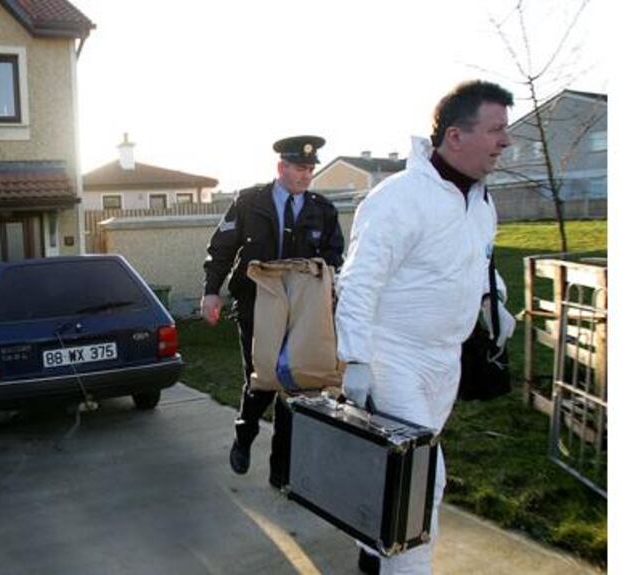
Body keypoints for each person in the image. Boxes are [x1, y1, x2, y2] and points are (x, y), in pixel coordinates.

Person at [335, 80, 517, 574]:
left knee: (395, 480)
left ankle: (374, 558)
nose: (505, 141)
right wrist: (356, 359)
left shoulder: (481, 202)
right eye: (496, 129)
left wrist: (494, 303)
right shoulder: (397, 199)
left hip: (445, 361)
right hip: (392, 357)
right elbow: (358, 283)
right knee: (421, 480)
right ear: (455, 136)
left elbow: (472, 262)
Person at [201, 135, 345, 489]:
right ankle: (245, 433)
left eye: (311, 169)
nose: (306, 175)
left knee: (293, 382)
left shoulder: (322, 209)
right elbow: (221, 248)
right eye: (299, 168)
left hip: (302, 308)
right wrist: (211, 293)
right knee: (262, 377)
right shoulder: (250, 202)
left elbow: (334, 258)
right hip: (256, 303)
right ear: (281, 167)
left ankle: (281, 471)